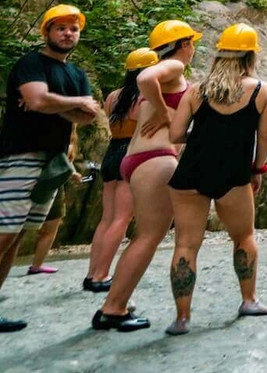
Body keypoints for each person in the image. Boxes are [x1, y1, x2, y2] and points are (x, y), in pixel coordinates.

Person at [164, 22, 267, 335]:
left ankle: (182, 318)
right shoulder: (260, 91)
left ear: (219, 55)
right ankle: (248, 300)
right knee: (243, 237)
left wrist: (203, 135)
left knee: (186, 243)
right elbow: (263, 138)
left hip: (191, 172)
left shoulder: (197, 90)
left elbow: (175, 133)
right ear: (251, 56)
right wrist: (258, 169)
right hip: (233, 174)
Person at [94, 18, 200, 332]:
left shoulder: (173, 75)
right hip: (154, 159)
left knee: (144, 236)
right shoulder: (173, 68)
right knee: (148, 237)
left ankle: (116, 301)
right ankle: (112, 308)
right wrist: (167, 112)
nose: (193, 48)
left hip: (137, 158)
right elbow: (145, 78)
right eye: (191, 42)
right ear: (184, 45)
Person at [0, 4, 100, 333]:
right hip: (20, 155)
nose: (68, 33)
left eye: (73, 28)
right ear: (47, 32)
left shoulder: (77, 74)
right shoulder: (31, 63)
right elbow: (42, 100)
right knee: (5, 232)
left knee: (16, 238)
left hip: (53, 162)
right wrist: (69, 103)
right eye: (61, 28)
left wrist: (53, 103)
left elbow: (86, 117)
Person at [83, 46, 159, 292]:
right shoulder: (144, 98)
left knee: (108, 218)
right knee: (122, 218)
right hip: (131, 153)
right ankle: (102, 276)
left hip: (111, 153)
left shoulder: (113, 96)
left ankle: (92, 273)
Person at [25, 131, 79, 275]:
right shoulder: (59, 135)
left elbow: (65, 161)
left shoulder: (69, 137)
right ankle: (35, 265)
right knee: (24, 229)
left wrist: (72, 172)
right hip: (44, 183)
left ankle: (37, 265)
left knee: (50, 228)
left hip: (53, 184)